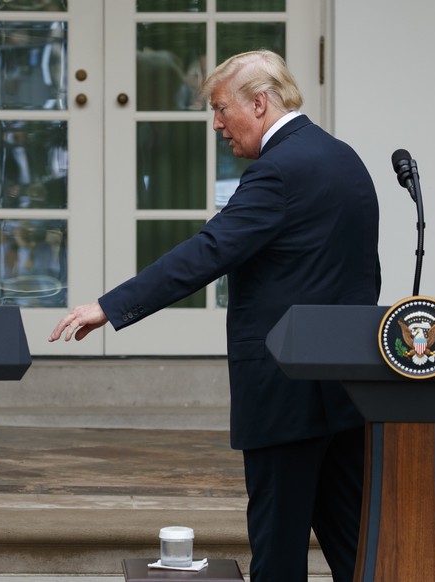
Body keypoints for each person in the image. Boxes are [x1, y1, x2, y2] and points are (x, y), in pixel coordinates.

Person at [49, 49, 380, 582]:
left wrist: (109, 307)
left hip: (285, 391)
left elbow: (207, 252)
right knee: (360, 548)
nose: (216, 123)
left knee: (277, 552)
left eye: (222, 108)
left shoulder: (278, 173)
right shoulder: (344, 158)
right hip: (346, 391)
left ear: (260, 102)